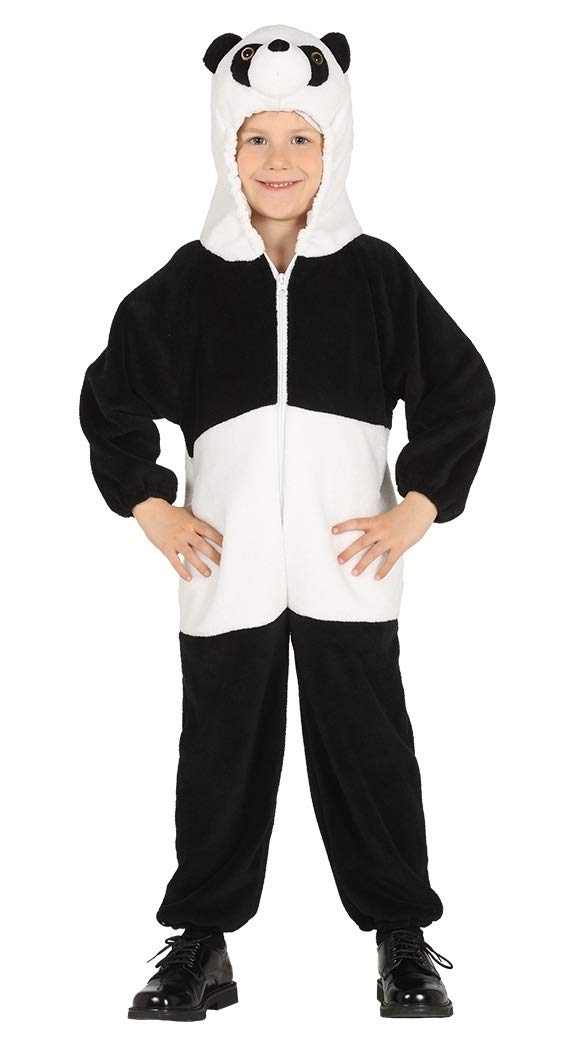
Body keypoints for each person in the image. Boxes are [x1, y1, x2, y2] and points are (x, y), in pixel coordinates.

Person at [79, 25, 495, 1022]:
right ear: (225, 146)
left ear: (334, 144)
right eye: (256, 137)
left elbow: (460, 388)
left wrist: (420, 503)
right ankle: (201, 941)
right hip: (225, 566)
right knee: (219, 752)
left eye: (301, 137)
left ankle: (402, 936)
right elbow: (111, 393)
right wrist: (149, 502)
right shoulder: (189, 282)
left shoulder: (375, 274)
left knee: (370, 746)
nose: (278, 159)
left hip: (349, 560)